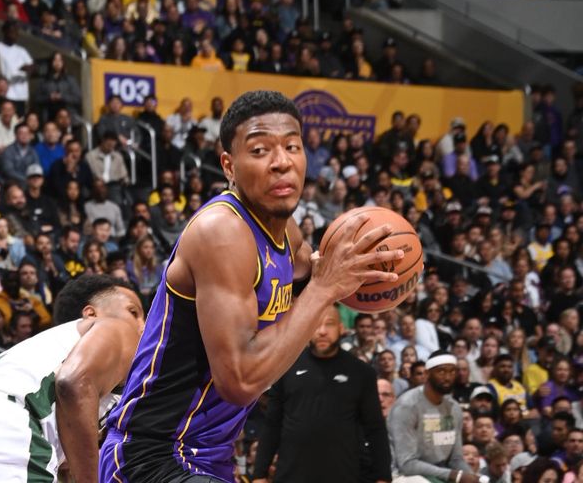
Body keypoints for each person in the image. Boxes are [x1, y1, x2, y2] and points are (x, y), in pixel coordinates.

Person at [100, 90, 402, 482]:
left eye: (292, 146)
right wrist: (325, 288)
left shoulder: (286, 232)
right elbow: (239, 382)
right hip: (152, 453)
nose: (281, 163)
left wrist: (362, 271)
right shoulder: (221, 231)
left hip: (210, 457)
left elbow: (312, 273)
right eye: (260, 150)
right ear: (228, 164)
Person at [0, 275, 144, 483]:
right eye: (133, 312)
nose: (143, 326)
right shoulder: (115, 329)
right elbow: (72, 383)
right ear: (91, 313)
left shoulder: (42, 351)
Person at [251, 304, 391, 482]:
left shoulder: (362, 372)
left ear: (341, 328)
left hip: (344, 474)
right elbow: (272, 425)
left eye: (329, 324)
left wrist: (383, 476)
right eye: (316, 324)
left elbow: (375, 429)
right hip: (292, 475)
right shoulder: (285, 368)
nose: (322, 331)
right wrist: (259, 474)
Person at [388, 351, 478, 482]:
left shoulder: (454, 407)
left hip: (441, 471)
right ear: (427, 374)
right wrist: (455, 475)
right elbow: (407, 464)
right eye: (441, 371)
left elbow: (456, 459)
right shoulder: (407, 406)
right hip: (405, 475)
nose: (447, 377)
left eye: (452, 371)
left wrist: (473, 477)